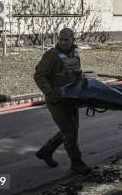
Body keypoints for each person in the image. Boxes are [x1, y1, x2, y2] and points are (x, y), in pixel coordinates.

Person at [33, 28, 91, 174]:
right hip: (56, 100)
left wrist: (82, 84)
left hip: (72, 97)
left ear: (73, 40)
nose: (63, 42)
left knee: (71, 129)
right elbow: (39, 75)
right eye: (61, 39)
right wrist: (50, 92)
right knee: (70, 130)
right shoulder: (51, 56)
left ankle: (47, 150)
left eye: (66, 40)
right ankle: (76, 162)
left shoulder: (75, 54)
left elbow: (76, 73)